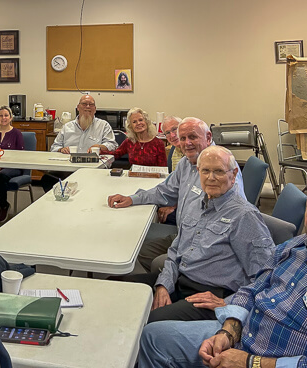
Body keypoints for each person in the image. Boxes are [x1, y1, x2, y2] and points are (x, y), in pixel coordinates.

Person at [138, 180, 307, 368]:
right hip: (246, 334)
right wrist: (228, 332)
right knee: (153, 337)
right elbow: (254, 288)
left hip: (269, 359)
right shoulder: (300, 246)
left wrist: (250, 363)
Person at [142, 146, 273, 323]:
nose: (211, 178)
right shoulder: (197, 205)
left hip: (208, 294)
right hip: (181, 280)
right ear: (198, 173)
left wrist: (226, 303)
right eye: (205, 171)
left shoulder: (244, 216)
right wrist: (164, 284)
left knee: (145, 320)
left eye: (218, 171)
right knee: (116, 284)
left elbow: (265, 274)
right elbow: (175, 251)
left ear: (233, 174)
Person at [107, 118, 245, 274]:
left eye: (193, 137)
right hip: (183, 236)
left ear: (208, 137)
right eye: (183, 138)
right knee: (138, 252)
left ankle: (178, 289)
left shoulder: (222, 167)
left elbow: (231, 223)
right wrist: (132, 198)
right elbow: (164, 191)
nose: (186, 143)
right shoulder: (186, 163)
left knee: (159, 264)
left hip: (209, 247)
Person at [42, 94, 117, 192]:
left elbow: (113, 145)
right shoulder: (67, 127)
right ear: (78, 107)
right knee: (47, 179)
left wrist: (100, 146)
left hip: (93, 169)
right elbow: (54, 147)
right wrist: (61, 149)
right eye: (84, 104)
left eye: (91, 105)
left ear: (95, 109)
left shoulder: (103, 126)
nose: (88, 107)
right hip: (68, 169)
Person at [99, 107, 166, 167]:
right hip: (134, 177)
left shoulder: (158, 143)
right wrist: (99, 151)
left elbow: (163, 168)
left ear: (146, 122)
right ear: (130, 126)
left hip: (153, 178)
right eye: (134, 122)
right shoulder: (129, 142)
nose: (138, 123)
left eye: (140, 120)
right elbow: (115, 154)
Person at [156, 115, 184, 227]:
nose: (172, 135)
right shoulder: (174, 150)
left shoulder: (193, 152)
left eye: (174, 129)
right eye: (167, 133)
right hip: (178, 198)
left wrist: (173, 207)